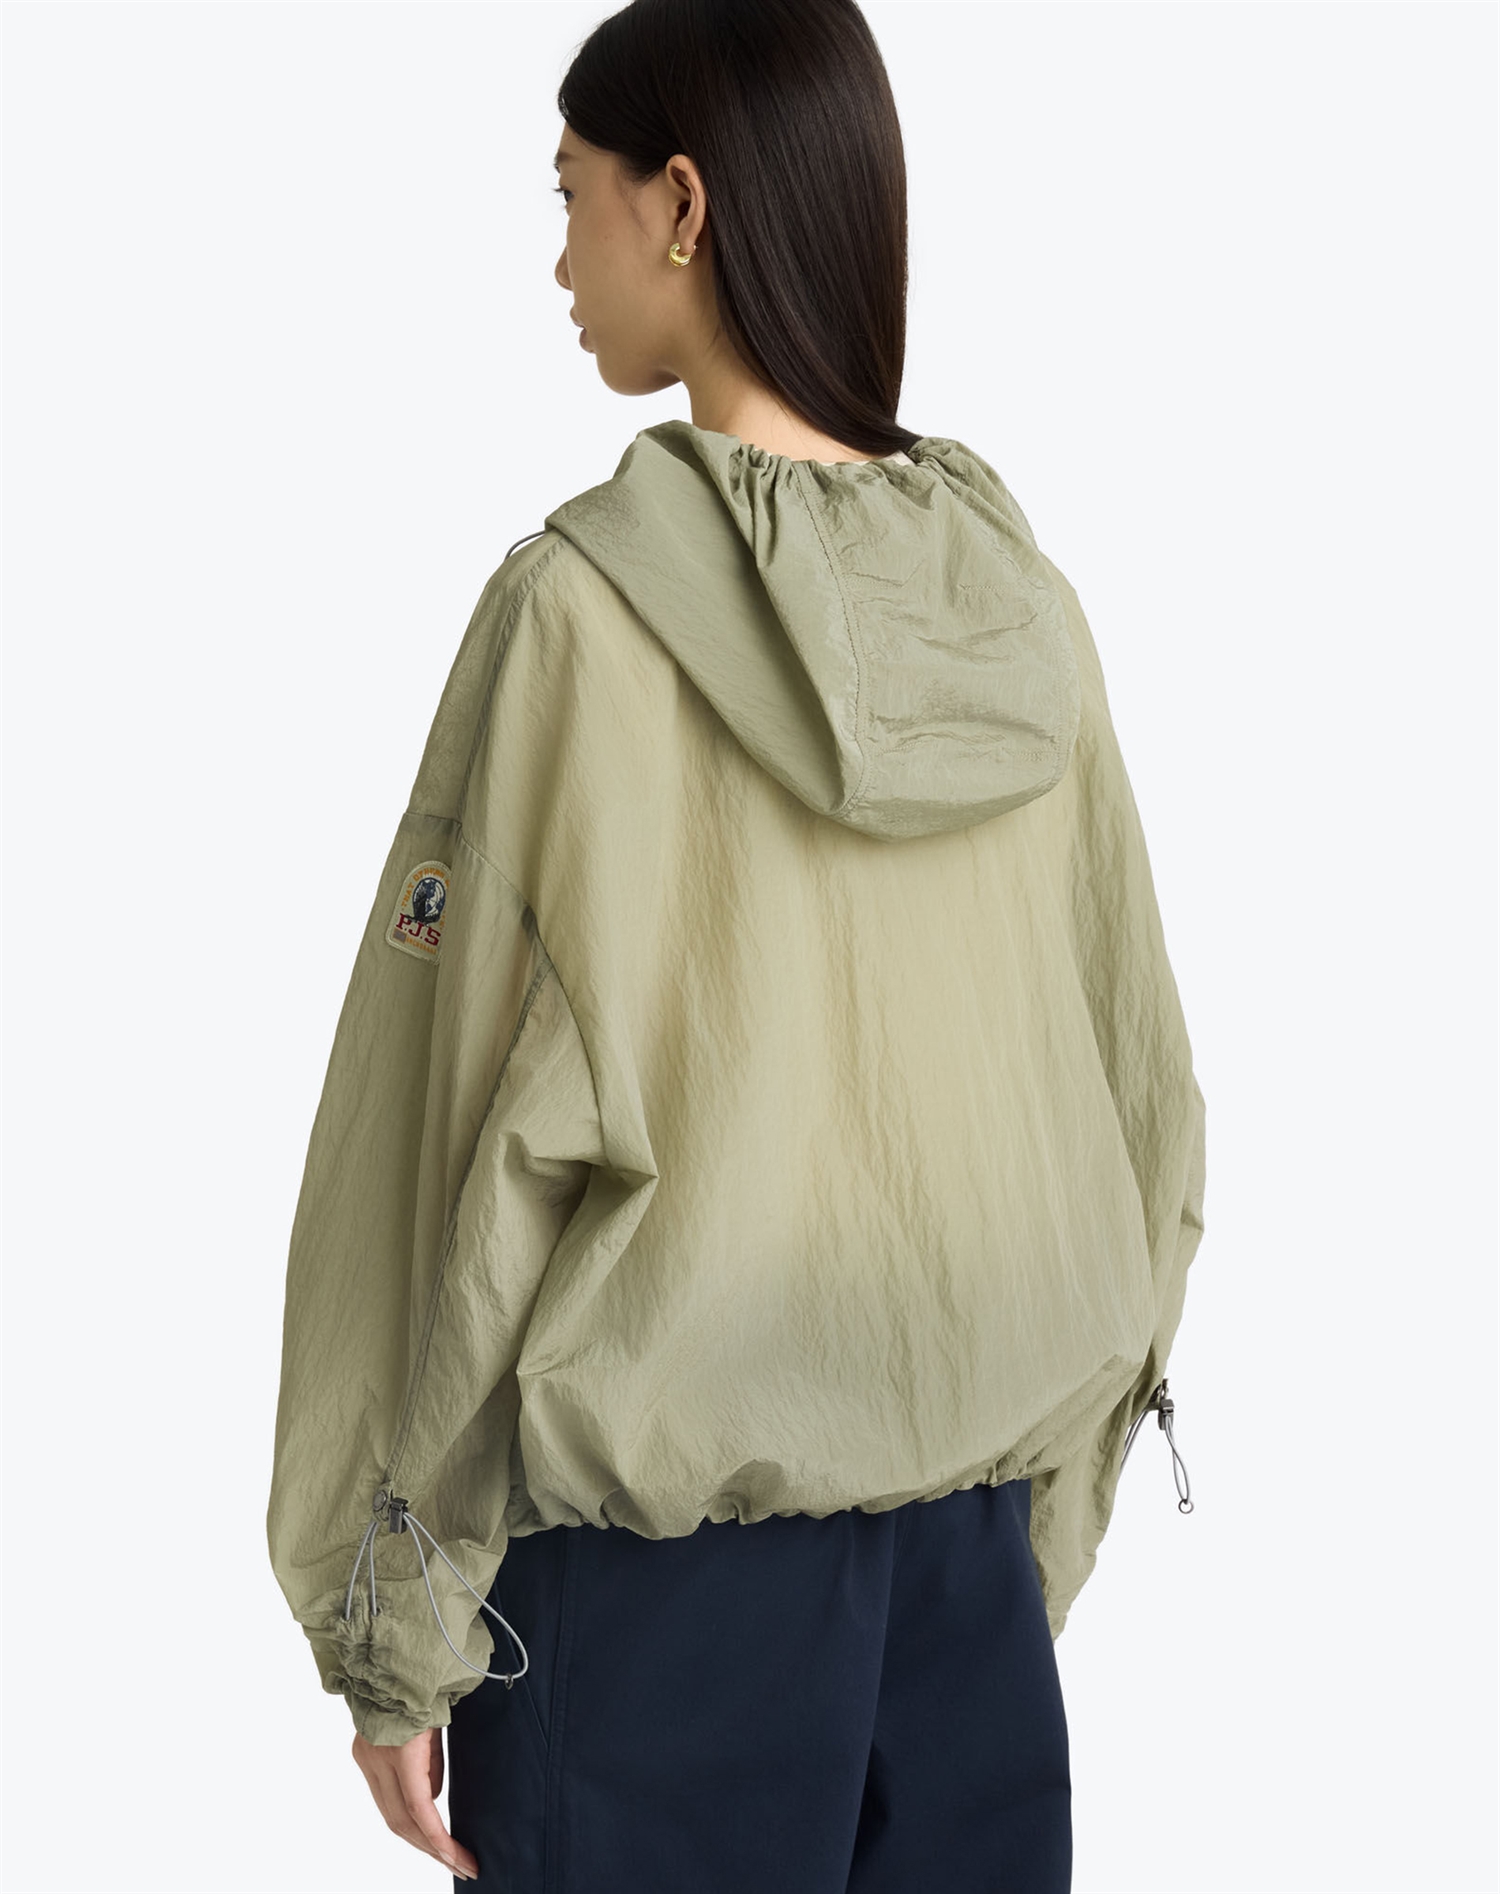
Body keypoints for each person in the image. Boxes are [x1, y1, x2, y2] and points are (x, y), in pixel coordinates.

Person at [265, 0, 1208, 1888]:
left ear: (681, 206)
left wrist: (393, 1616)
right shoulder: (1026, 619)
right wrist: (1028, 1530)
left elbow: (438, 1150)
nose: (559, 257)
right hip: (972, 1606)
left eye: (572, 195)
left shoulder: (576, 620)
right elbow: (1143, 1111)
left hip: (646, 1634)